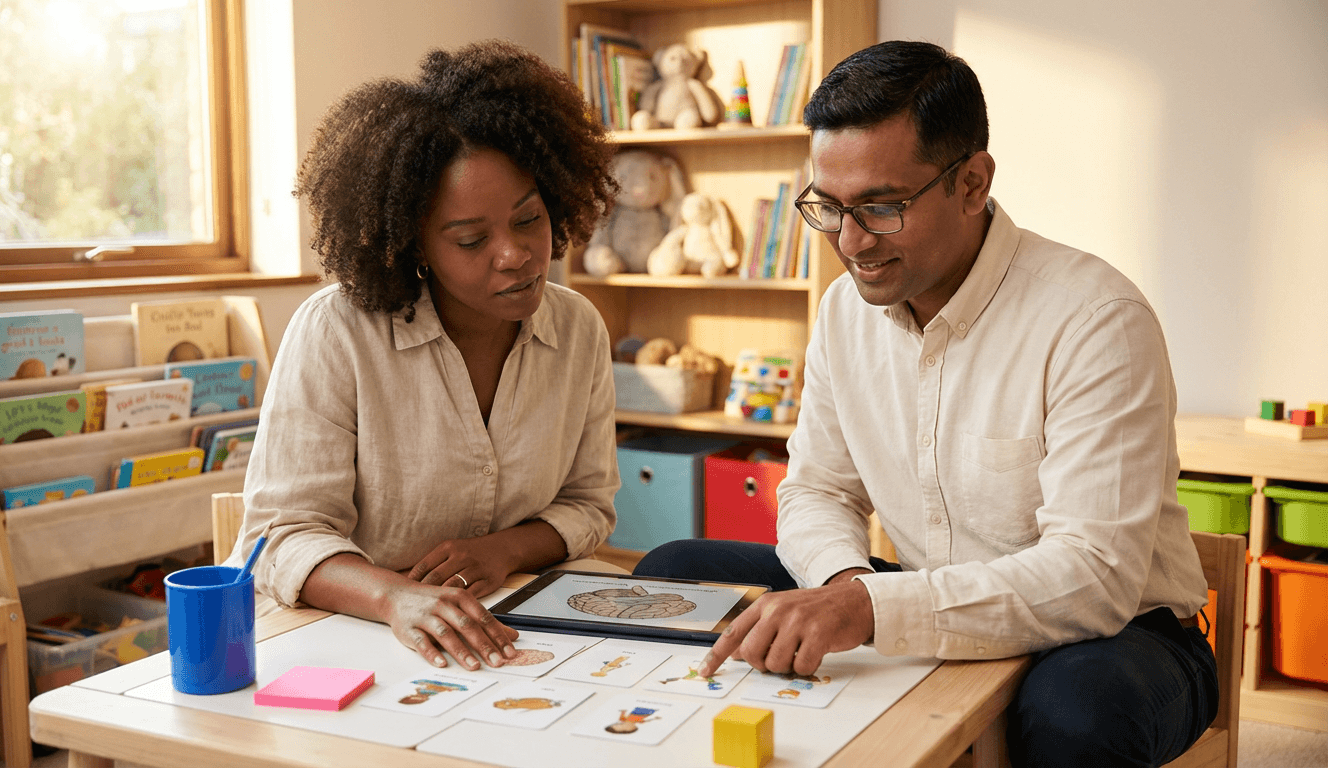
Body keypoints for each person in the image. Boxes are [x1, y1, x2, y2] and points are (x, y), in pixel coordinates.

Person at [634, 41, 1217, 766]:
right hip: (918, 591)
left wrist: (871, 610)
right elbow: (816, 491)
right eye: (829, 207)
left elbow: (1093, 577)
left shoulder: (1095, 318)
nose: (849, 242)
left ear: (972, 183)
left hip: (1116, 634)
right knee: (677, 567)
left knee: (1076, 713)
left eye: (879, 207)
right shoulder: (844, 313)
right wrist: (849, 585)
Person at [226, 40, 621, 673]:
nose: (514, 254)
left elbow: (587, 506)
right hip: (351, 637)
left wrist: (502, 551)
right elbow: (279, 539)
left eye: (529, 219)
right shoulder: (337, 333)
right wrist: (397, 597)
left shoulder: (577, 329)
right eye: (471, 239)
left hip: (508, 624)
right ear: (415, 242)